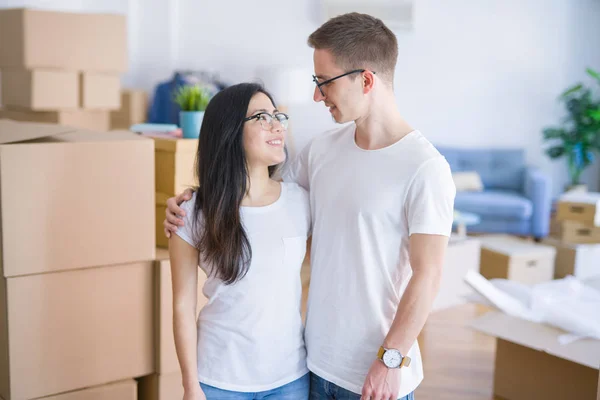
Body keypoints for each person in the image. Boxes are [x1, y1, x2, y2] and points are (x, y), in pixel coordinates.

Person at [165, 13, 456, 400]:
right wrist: (191, 200)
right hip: (312, 366)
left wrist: (390, 360)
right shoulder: (321, 151)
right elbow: (255, 196)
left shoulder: (425, 168)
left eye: (324, 82)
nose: (318, 95)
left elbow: (429, 276)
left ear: (366, 80)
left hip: (374, 375)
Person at [169, 82, 311, 400]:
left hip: (290, 379)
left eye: (278, 116)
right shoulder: (192, 211)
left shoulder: (301, 202)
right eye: (262, 116)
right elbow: (182, 306)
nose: (277, 125)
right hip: (218, 379)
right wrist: (190, 386)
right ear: (230, 130)